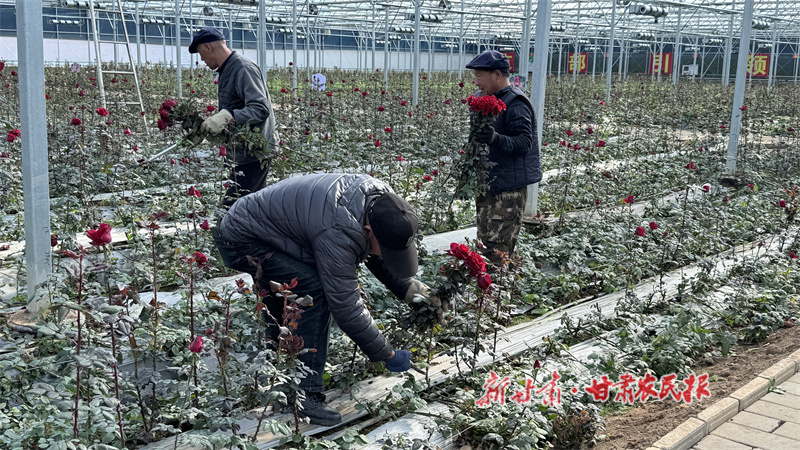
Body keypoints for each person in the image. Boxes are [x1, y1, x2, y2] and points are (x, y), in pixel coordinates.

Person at [212, 173, 443, 426]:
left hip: (270, 229)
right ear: (368, 230)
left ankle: (280, 380)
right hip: (242, 238)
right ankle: (304, 396)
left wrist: (411, 291)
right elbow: (346, 307)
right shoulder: (340, 229)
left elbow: (374, 251)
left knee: (288, 303)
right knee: (313, 293)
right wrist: (386, 354)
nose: (389, 253)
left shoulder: (381, 204)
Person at [465, 50, 542, 268]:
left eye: (480, 75)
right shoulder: (485, 100)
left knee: (496, 247)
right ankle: (506, 286)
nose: (476, 81)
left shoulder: (515, 103)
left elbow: (524, 143)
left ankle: (497, 292)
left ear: (497, 74)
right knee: (490, 240)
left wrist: (496, 139)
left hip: (507, 189)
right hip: (489, 182)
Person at [189, 26, 277, 207]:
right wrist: (207, 128)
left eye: (201, 54)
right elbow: (234, 108)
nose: (202, 60)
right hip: (241, 152)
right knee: (251, 210)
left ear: (209, 48)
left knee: (233, 212)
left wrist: (227, 116)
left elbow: (260, 108)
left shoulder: (243, 68)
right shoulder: (226, 70)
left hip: (254, 154)